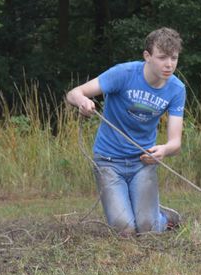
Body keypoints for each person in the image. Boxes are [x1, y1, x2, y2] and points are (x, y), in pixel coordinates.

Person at [66, 28, 186, 235]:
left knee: (148, 229)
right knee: (125, 230)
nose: (169, 64)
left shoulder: (177, 89)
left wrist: (164, 150)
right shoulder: (123, 73)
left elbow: (175, 144)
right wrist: (82, 101)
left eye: (174, 58)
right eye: (162, 57)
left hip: (143, 162)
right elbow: (73, 93)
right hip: (108, 162)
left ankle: (164, 219)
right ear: (147, 56)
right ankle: (139, 210)